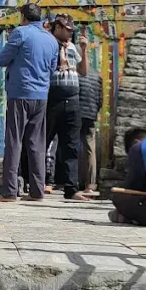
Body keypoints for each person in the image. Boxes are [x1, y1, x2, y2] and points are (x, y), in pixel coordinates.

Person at [0, 4, 58, 203]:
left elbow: (2, 59)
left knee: (14, 141)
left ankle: (9, 192)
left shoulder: (20, 33)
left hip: (20, 93)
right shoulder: (51, 39)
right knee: (37, 143)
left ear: (23, 16)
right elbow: (53, 68)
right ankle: (37, 190)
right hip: (41, 96)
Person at [46, 14, 86, 202]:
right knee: (43, 142)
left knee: (70, 146)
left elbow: (83, 71)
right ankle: (38, 182)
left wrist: (84, 51)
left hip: (73, 100)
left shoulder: (72, 47)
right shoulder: (48, 45)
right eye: (67, 30)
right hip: (52, 99)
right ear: (57, 28)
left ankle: (72, 188)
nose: (70, 34)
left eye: (72, 31)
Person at [77, 37, 103, 196]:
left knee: (71, 147)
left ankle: (71, 181)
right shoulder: (97, 75)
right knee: (89, 149)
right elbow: (100, 99)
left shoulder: (76, 73)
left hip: (76, 113)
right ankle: (90, 184)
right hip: (91, 114)